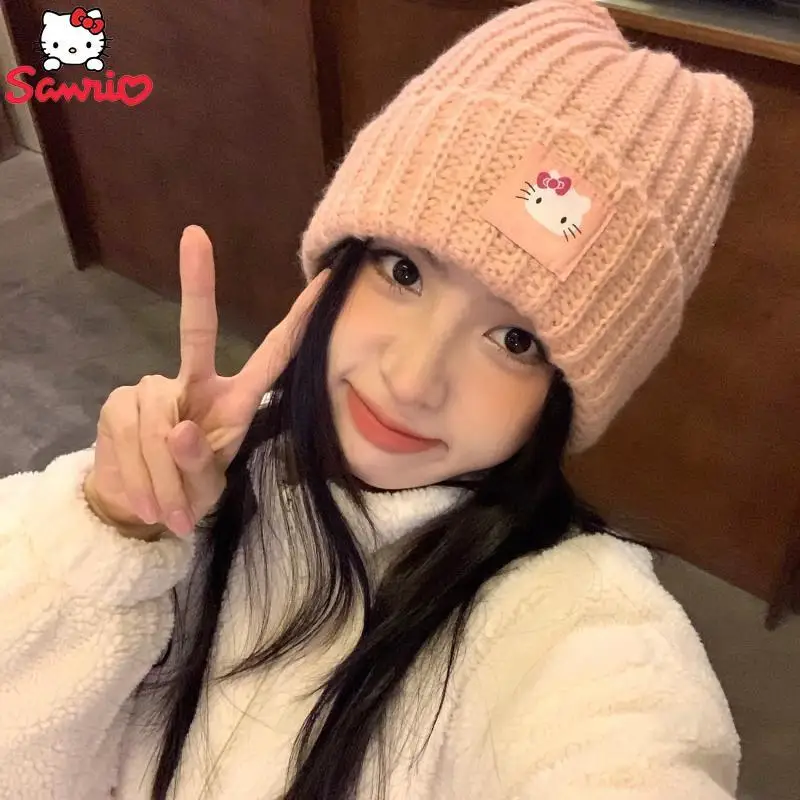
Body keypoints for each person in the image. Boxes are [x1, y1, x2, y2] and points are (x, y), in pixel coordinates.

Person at [0, 1, 754, 798]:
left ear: (566, 394)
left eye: (515, 340)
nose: (413, 379)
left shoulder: (579, 628)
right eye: (404, 272)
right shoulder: (198, 467)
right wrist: (111, 534)